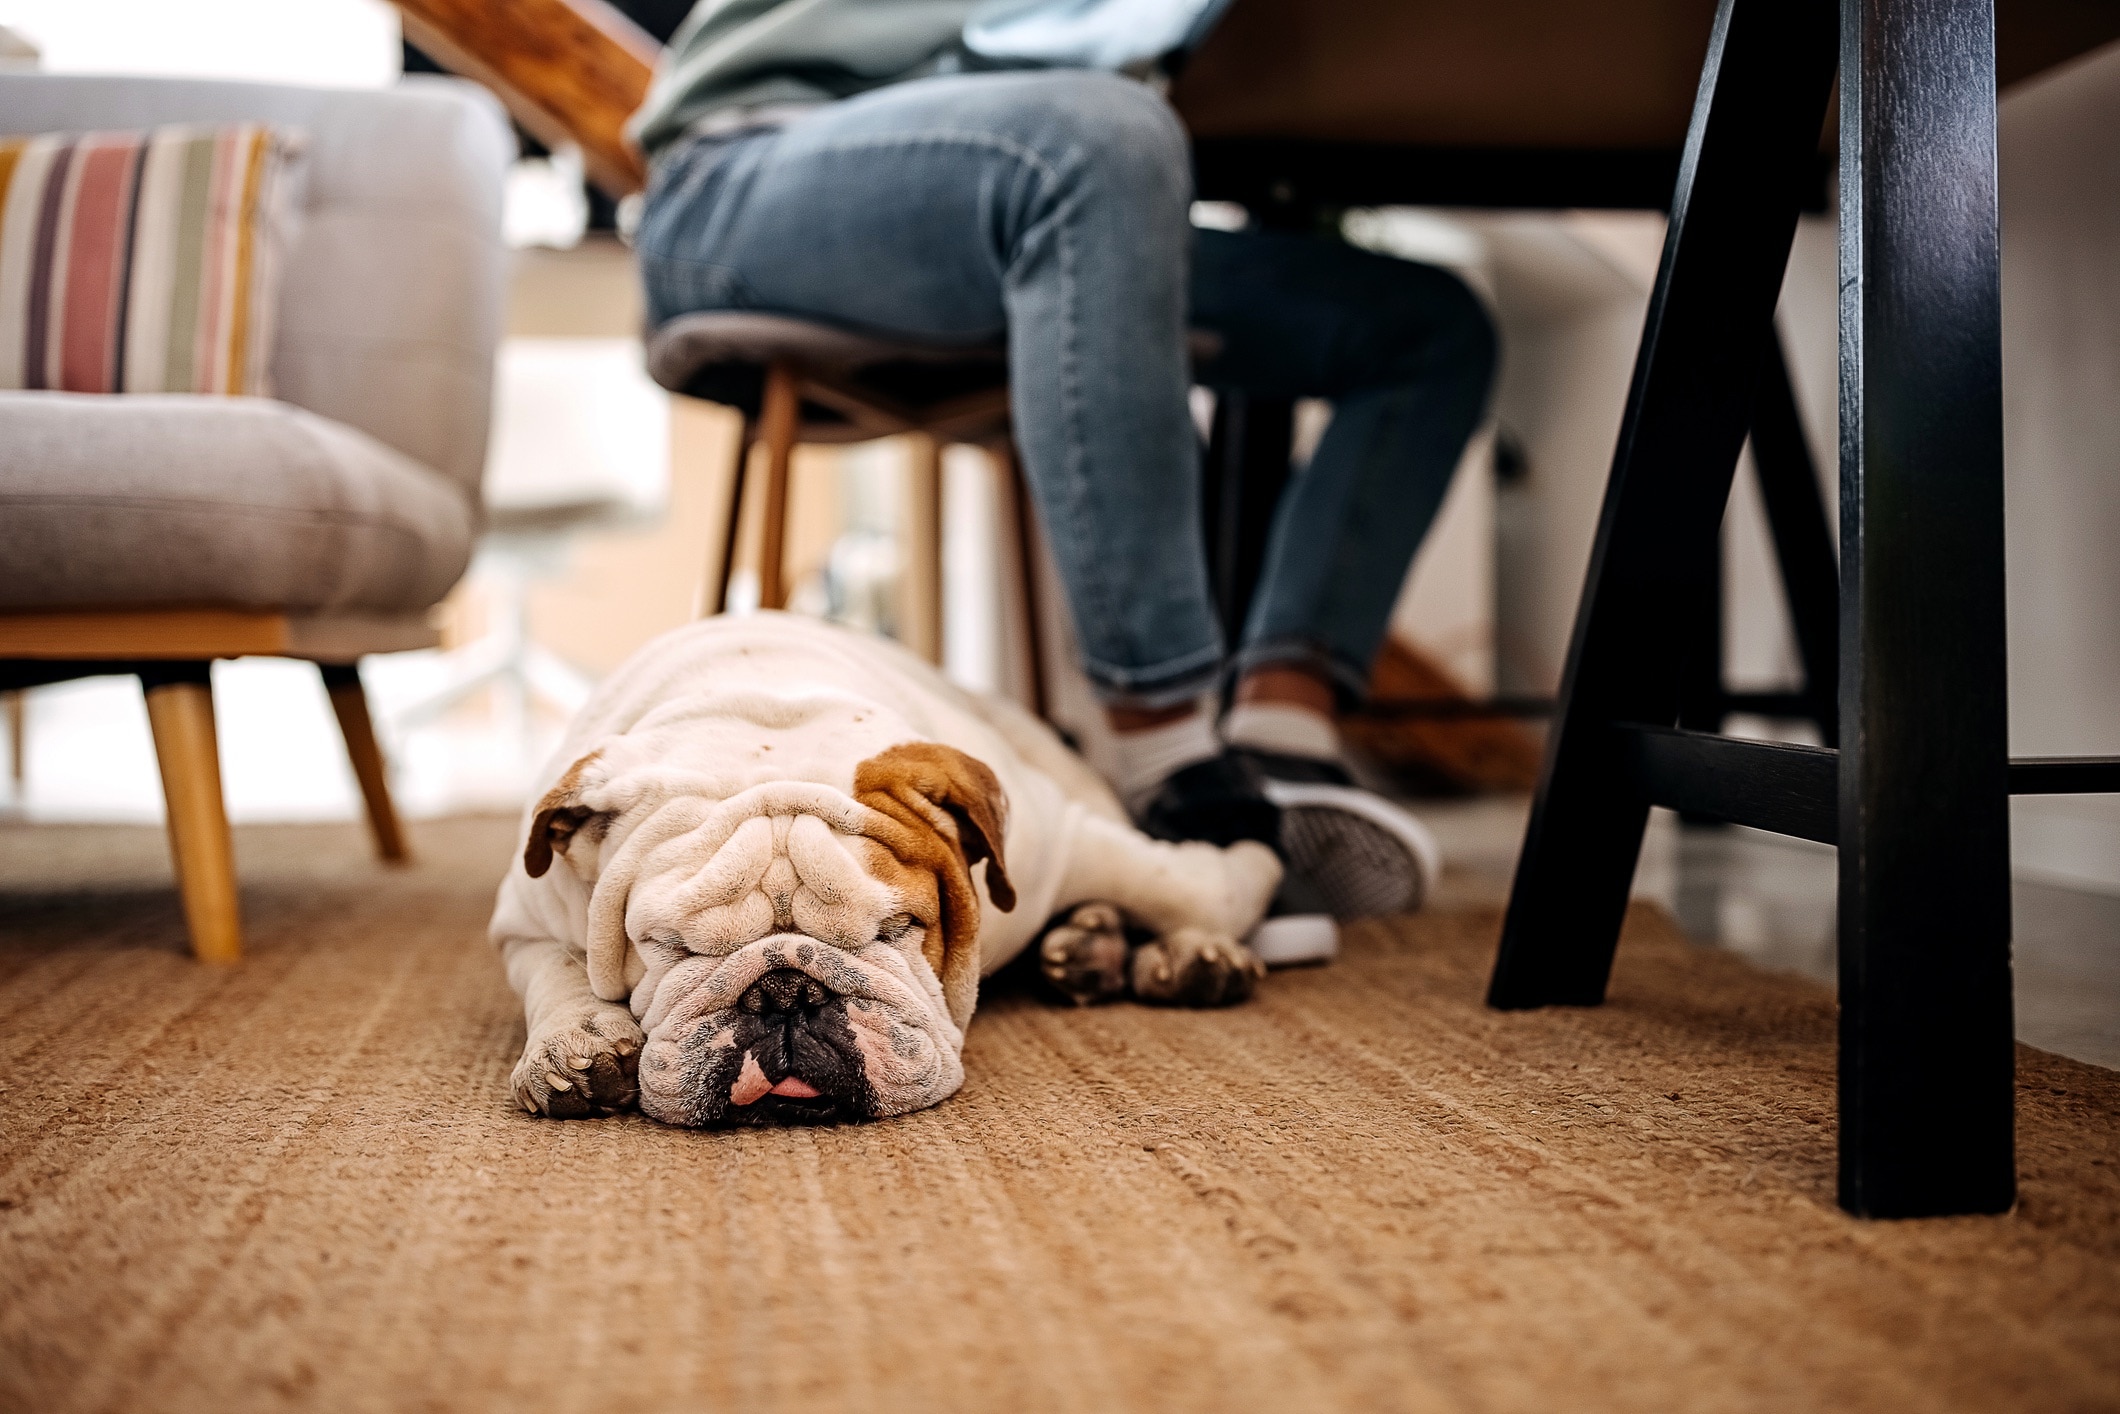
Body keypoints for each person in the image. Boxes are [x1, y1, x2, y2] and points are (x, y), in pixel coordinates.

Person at [628, 0, 1497, 919]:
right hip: (746, 178)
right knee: (1099, 141)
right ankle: (1168, 774)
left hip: (1028, 181)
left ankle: (1281, 729)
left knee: (1428, 330)